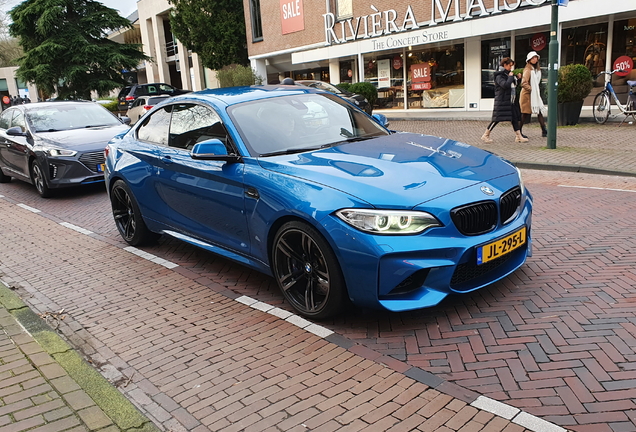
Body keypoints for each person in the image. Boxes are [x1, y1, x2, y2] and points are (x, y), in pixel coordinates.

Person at [481, 57, 527, 144]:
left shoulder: (507, 74)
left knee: (514, 119)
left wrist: (517, 78)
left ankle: (518, 136)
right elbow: (505, 85)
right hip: (502, 101)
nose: (511, 68)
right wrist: (510, 77)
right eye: (510, 66)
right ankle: (485, 135)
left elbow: (512, 85)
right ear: (505, 65)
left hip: (510, 101)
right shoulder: (499, 75)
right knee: (496, 119)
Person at [520, 51, 547, 138]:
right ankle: (518, 131)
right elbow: (523, 83)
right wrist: (532, 89)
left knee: (539, 111)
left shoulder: (537, 70)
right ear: (529, 60)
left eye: (536, 57)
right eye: (533, 58)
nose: (535, 59)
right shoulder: (528, 70)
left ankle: (544, 130)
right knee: (525, 114)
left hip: (534, 95)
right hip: (527, 95)